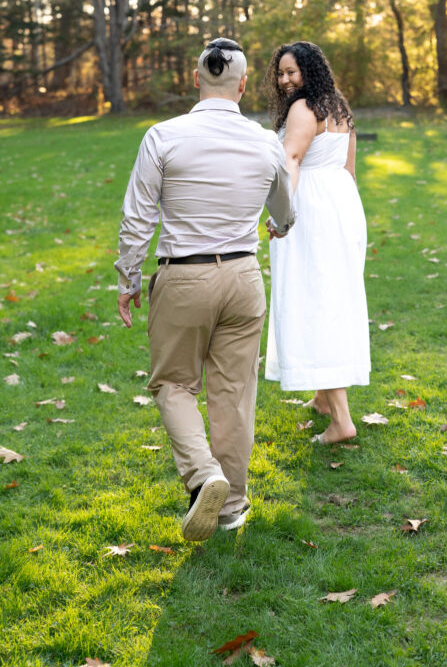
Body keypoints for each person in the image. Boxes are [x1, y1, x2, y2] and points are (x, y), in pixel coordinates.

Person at [115, 38, 296, 541]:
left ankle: (204, 475)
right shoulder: (265, 141)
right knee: (234, 394)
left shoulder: (163, 136)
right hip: (243, 278)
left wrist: (130, 279)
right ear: (242, 86)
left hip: (183, 277)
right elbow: (285, 212)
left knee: (173, 384)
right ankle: (232, 506)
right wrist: (278, 224)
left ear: (195, 80)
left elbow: (138, 218)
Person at [263, 41, 370, 444]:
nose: (286, 79)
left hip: (311, 211)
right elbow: (349, 170)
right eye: (281, 72)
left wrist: (283, 216)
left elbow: (291, 160)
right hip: (341, 208)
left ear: (309, 69)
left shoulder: (303, 109)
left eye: (292, 71)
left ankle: (341, 421)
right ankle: (324, 399)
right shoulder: (338, 106)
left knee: (315, 301)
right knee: (328, 297)